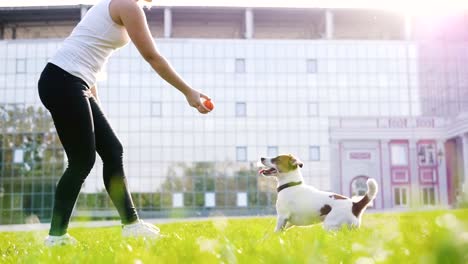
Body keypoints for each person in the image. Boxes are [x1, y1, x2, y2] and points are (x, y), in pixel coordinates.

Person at [38, 0, 211, 246]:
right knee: (81, 161)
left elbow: (91, 56)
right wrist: (188, 91)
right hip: (63, 81)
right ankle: (56, 237)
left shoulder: (112, 5)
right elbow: (152, 56)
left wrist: (94, 106)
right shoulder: (128, 5)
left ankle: (131, 226)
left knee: (112, 149)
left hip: (75, 83)